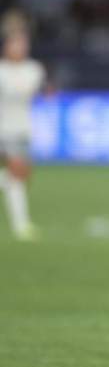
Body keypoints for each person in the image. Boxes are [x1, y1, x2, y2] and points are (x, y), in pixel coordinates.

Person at [0, 30, 45, 241]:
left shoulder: (33, 69)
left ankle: (21, 224)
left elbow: (26, 91)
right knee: (16, 176)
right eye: (15, 44)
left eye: (23, 44)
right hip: (2, 128)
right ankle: (21, 225)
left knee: (22, 176)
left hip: (21, 129)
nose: (19, 48)